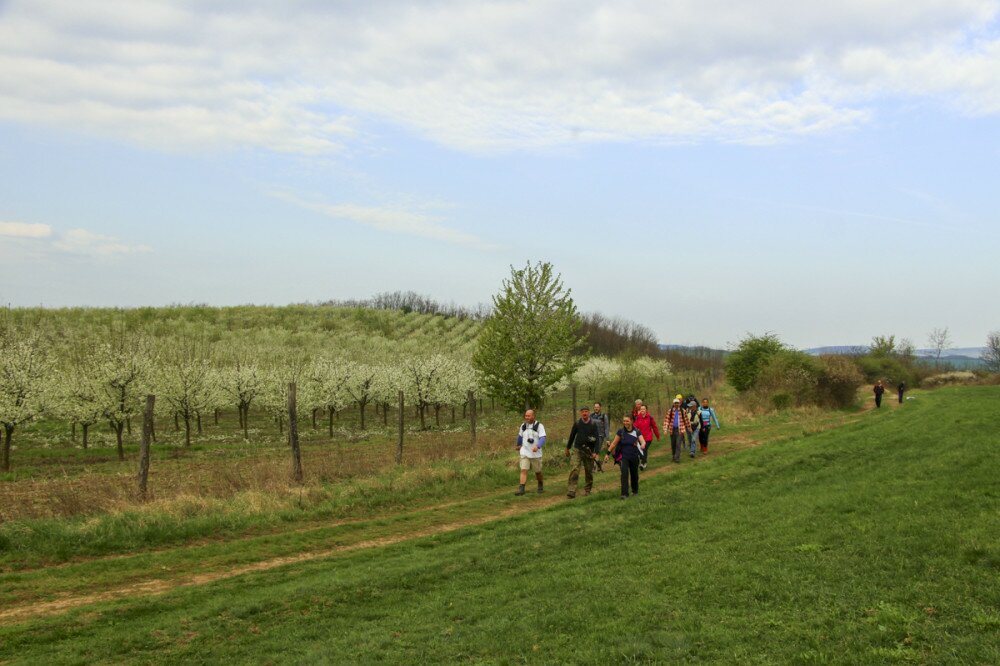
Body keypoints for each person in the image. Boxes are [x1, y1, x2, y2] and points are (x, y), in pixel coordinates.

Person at [607, 415, 646, 500]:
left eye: (627, 421)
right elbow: (614, 443)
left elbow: (642, 441)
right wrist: (607, 453)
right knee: (624, 474)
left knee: (634, 474)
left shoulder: (637, 431)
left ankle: (635, 491)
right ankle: (624, 494)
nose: (625, 423)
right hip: (624, 457)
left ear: (632, 421)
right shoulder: (620, 432)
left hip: (634, 456)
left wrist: (642, 445)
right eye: (624, 421)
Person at [565, 406, 601, 498]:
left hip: (589, 452)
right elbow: (572, 436)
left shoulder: (593, 424)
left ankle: (588, 490)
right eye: (583, 412)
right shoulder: (577, 423)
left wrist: (595, 452)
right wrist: (567, 448)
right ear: (580, 413)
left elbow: (597, 439)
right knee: (575, 469)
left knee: (588, 471)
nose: (584, 413)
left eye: (586, 411)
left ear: (589, 413)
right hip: (577, 449)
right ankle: (571, 491)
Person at [514, 409, 546, 496]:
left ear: (533, 416)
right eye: (526, 416)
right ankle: (521, 489)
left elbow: (543, 438)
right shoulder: (523, 426)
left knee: (538, 472)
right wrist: (518, 445)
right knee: (523, 469)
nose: (527, 417)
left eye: (528, 416)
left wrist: (538, 446)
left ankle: (540, 484)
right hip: (525, 452)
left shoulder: (539, 426)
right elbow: (520, 436)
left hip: (536, 454)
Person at [663, 398, 692, 463]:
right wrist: (665, 429)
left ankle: (677, 458)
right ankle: (674, 456)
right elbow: (666, 420)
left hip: (680, 430)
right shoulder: (670, 411)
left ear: (679, 404)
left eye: (677, 403)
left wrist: (689, 428)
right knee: (673, 444)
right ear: (673, 404)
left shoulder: (682, 411)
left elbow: (686, 420)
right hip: (672, 429)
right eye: (675, 403)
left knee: (678, 444)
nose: (676, 404)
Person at [632, 404, 660, 470]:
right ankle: (644, 461)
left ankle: (643, 463)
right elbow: (634, 427)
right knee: (641, 450)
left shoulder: (650, 418)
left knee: (644, 449)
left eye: (643, 409)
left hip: (648, 438)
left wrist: (657, 436)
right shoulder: (637, 418)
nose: (642, 410)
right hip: (640, 438)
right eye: (641, 409)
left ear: (646, 410)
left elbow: (655, 427)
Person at [591, 402, 610, 471]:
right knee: (593, 451)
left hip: (600, 436)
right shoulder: (591, 416)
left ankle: (594, 467)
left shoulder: (604, 416)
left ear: (600, 408)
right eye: (595, 407)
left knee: (596, 451)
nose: (596, 408)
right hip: (592, 436)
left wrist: (607, 438)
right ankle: (599, 465)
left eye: (597, 407)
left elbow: (606, 427)